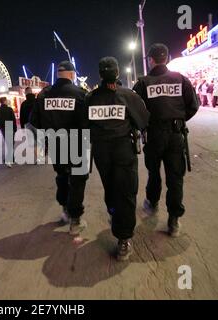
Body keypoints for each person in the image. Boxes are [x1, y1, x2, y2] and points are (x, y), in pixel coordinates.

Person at [85, 57, 149, 261]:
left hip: (101, 153)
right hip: (123, 151)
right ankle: (124, 238)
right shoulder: (128, 96)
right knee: (127, 193)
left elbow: (83, 125)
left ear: (100, 75)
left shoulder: (91, 98)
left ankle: (114, 213)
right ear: (118, 73)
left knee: (111, 189)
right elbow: (143, 121)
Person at [133, 43, 199, 237]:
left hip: (154, 135)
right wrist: (178, 120)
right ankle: (174, 220)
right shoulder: (181, 79)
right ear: (167, 59)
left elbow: (135, 111)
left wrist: (146, 125)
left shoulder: (143, 83)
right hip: (176, 135)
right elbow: (193, 105)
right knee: (175, 178)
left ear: (151, 60)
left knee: (154, 173)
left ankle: (152, 203)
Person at [31, 61, 89, 236]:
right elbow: (88, 121)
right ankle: (75, 220)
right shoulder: (80, 94)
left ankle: (65, 209)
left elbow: (34, 122)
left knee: (62, 175)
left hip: (56, 143)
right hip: (77, 143)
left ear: (58, 74)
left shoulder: (44, 94)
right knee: (78, 180)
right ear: (71, 74)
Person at [0, 97, 17, 168]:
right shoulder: (9, 109)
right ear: (4, 101)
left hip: (3, 128)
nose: (7, 101)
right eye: (6, 100)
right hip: (10, 126)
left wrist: (0, 127)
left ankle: (11, 158)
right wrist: (15, 128)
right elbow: (13, 119)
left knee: (8, 143)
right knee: (11, 143)